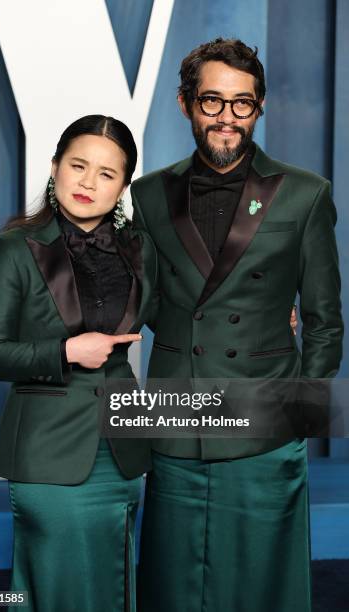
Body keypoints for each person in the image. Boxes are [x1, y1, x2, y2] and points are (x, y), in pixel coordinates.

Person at [131, 38, 343, 612]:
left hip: (265, 422)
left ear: (260, 106)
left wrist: (302, 411)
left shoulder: (304, 194)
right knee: (173, 587)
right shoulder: (147, 194)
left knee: (262, 587)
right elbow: (143, 300)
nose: (227, 118)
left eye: (241, 103)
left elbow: (325, 320)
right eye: (212, 101)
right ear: (185, 104)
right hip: (178, 414)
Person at [0, 115, 157, 612]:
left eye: (106, 173)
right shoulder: (12, 248)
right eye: (78, 165)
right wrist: (66, 352)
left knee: (112, 582)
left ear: (122, 187)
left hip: (121, 450)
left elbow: (190, 312)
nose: (88, 182)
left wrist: (275, 311)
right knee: (54, 585)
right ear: (55, 168)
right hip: (47, 451)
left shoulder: (141, 252)